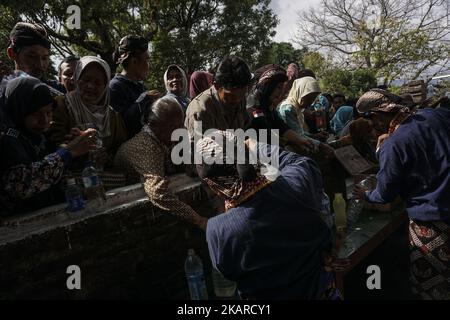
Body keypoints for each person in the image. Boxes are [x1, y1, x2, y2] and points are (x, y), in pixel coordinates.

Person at [197, 131, 338, 299]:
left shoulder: (218, 232)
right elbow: (297, 161)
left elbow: (228, 273)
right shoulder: (298, 182)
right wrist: (257, 146)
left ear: (212, 186)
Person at [354, 88, 450, 300]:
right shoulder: (436, 115)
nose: (372, 129)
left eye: (371, 123)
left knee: (432, 286)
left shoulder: (393, 144)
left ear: (377, 117)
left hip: (433, 224)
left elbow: (384, 194)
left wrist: (366, 194)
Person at [0, 77, 97, 216]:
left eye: (49, 112)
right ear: (19, 111)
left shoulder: (41, 136)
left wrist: (74, 149)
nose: (45, 120)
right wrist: (67, 153)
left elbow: (55, 171)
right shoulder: (8, 140)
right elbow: (21, 185)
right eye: (36, 114)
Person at [114, 96, 208, 230]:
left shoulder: (166, 137)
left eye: (180, 125)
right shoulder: (146, 147)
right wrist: (199, 220)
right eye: (173, 127)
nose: (179, 130)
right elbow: (157, 193)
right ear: (154, 124)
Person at [50, 56, 127, 170]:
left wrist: (106, 157)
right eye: (86, 80)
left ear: (105, 86)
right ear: (76, 79)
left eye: (98, 83)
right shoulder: (62, 104)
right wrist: (73, 146)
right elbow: (53, 143)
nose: (90, 86)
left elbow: (120, 150)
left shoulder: (113, 116)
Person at [246, 64, 314, 153]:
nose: (281, 92)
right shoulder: (254, 108)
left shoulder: (268, 107)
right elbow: (266, 133)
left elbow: (280, 126)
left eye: (283, 88)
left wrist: (300, 140)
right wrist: (289, 143)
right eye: (278, 87)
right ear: (267, 86)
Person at [185, 55, 252, 138]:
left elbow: (245, 131)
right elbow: (196, 148)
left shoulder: (240, 98)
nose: (238, 100)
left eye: (242, 95)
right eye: (231, 96)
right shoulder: (199, 111)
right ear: (217, 86)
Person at [110, 35, 161, 138]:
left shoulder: (140, 87)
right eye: (146, 60)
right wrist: (143, 100)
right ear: (134, 61)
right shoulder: (115, 87)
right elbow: (122, 125)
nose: (148, 65)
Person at [6, 22, 65, 93]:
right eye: (32, 57)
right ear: (12, 54)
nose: (40, 65)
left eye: (44, 58)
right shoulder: (3, 89)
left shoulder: (59, 90)